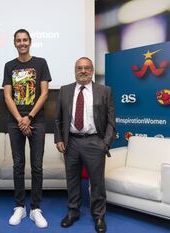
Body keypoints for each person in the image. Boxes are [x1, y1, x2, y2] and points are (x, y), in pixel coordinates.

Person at [54, 57, 116, 233]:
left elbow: (111, 122)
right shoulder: (65, 90)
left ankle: (99, 216)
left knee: (97, 182)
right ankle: (73, 212)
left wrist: (105, 144)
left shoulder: (104, 91)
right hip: (71, 141)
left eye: (86, 68)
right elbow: (58, 118)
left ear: (92, 70)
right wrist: (59, 139)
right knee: (72, 180)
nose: (83, 71)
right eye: (79, 68)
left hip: (94, 141)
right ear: (75, 70)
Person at [3, 29, 51, 228]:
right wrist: (20, 120)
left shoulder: (40, 63)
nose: (22, 43)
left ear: (30, 42)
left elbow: (45, 93)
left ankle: (35, 209)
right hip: (15, 121)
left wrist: (29, 117)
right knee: (18, 164)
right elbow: (7, 96)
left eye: (25, 40)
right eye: (18, 40)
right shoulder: (9, 66)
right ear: (14, 43)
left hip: (37, 121)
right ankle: (20, 207)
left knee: (37, 166)